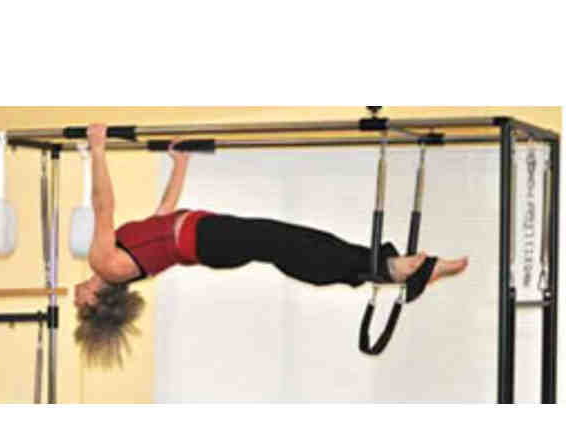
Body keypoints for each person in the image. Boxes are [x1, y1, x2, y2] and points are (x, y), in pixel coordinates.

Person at [74, 124, 468, 366]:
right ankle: (390, 268)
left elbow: (161, 218)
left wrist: (180, 166)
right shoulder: (104, 263)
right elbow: (103, 204)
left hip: (209, 236)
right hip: (210, 240)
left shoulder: (116, 267)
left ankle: (388, 268)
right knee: (290, 244)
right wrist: (98, 149)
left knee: (293, 246)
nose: (75, 300)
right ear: (95, 300)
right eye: (81, 307)